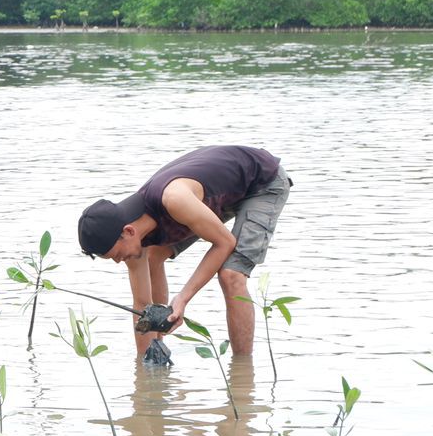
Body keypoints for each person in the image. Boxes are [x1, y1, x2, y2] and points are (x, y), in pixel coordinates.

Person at [76, 144, 292, 358]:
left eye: (117, 256)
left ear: (129, 231)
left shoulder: (174, 199)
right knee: (152, 257)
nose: (118, 261)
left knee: (231, 275)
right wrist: (147, 362)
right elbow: (142, 304)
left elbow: (224, 243)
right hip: (216, 196)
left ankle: (242, 373)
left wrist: (183, 298)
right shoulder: (131, 237)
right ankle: (158, 349)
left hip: (261, 183)